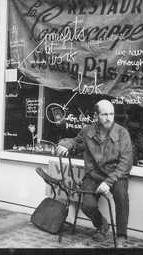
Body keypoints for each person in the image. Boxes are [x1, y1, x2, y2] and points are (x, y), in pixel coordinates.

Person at [56, 99, 133, 247]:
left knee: (122, 197)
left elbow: (126, 163)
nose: (109, 118)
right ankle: (102, 225)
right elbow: (75, 142)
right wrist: (67, 145)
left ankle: (122, 235)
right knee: (87, 205)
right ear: (96, 115)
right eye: (104, 114)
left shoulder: (122, 133)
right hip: (94, 175)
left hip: (116, 175)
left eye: (111, 114)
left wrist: (108, 182)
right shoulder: (87, 131)